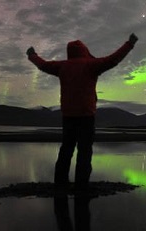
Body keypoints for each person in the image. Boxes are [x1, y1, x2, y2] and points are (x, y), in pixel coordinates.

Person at [27, 34, 138, 189]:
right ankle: (81, 185)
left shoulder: (62, 66)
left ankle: (60, 184)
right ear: (84, 50)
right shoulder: (91, 65)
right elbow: (113, 59)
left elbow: (43, 65)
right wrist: (129, 44)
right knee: (84, 152)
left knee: (66, 150)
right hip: (86, 115)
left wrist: (32, 55)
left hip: (68, 116)